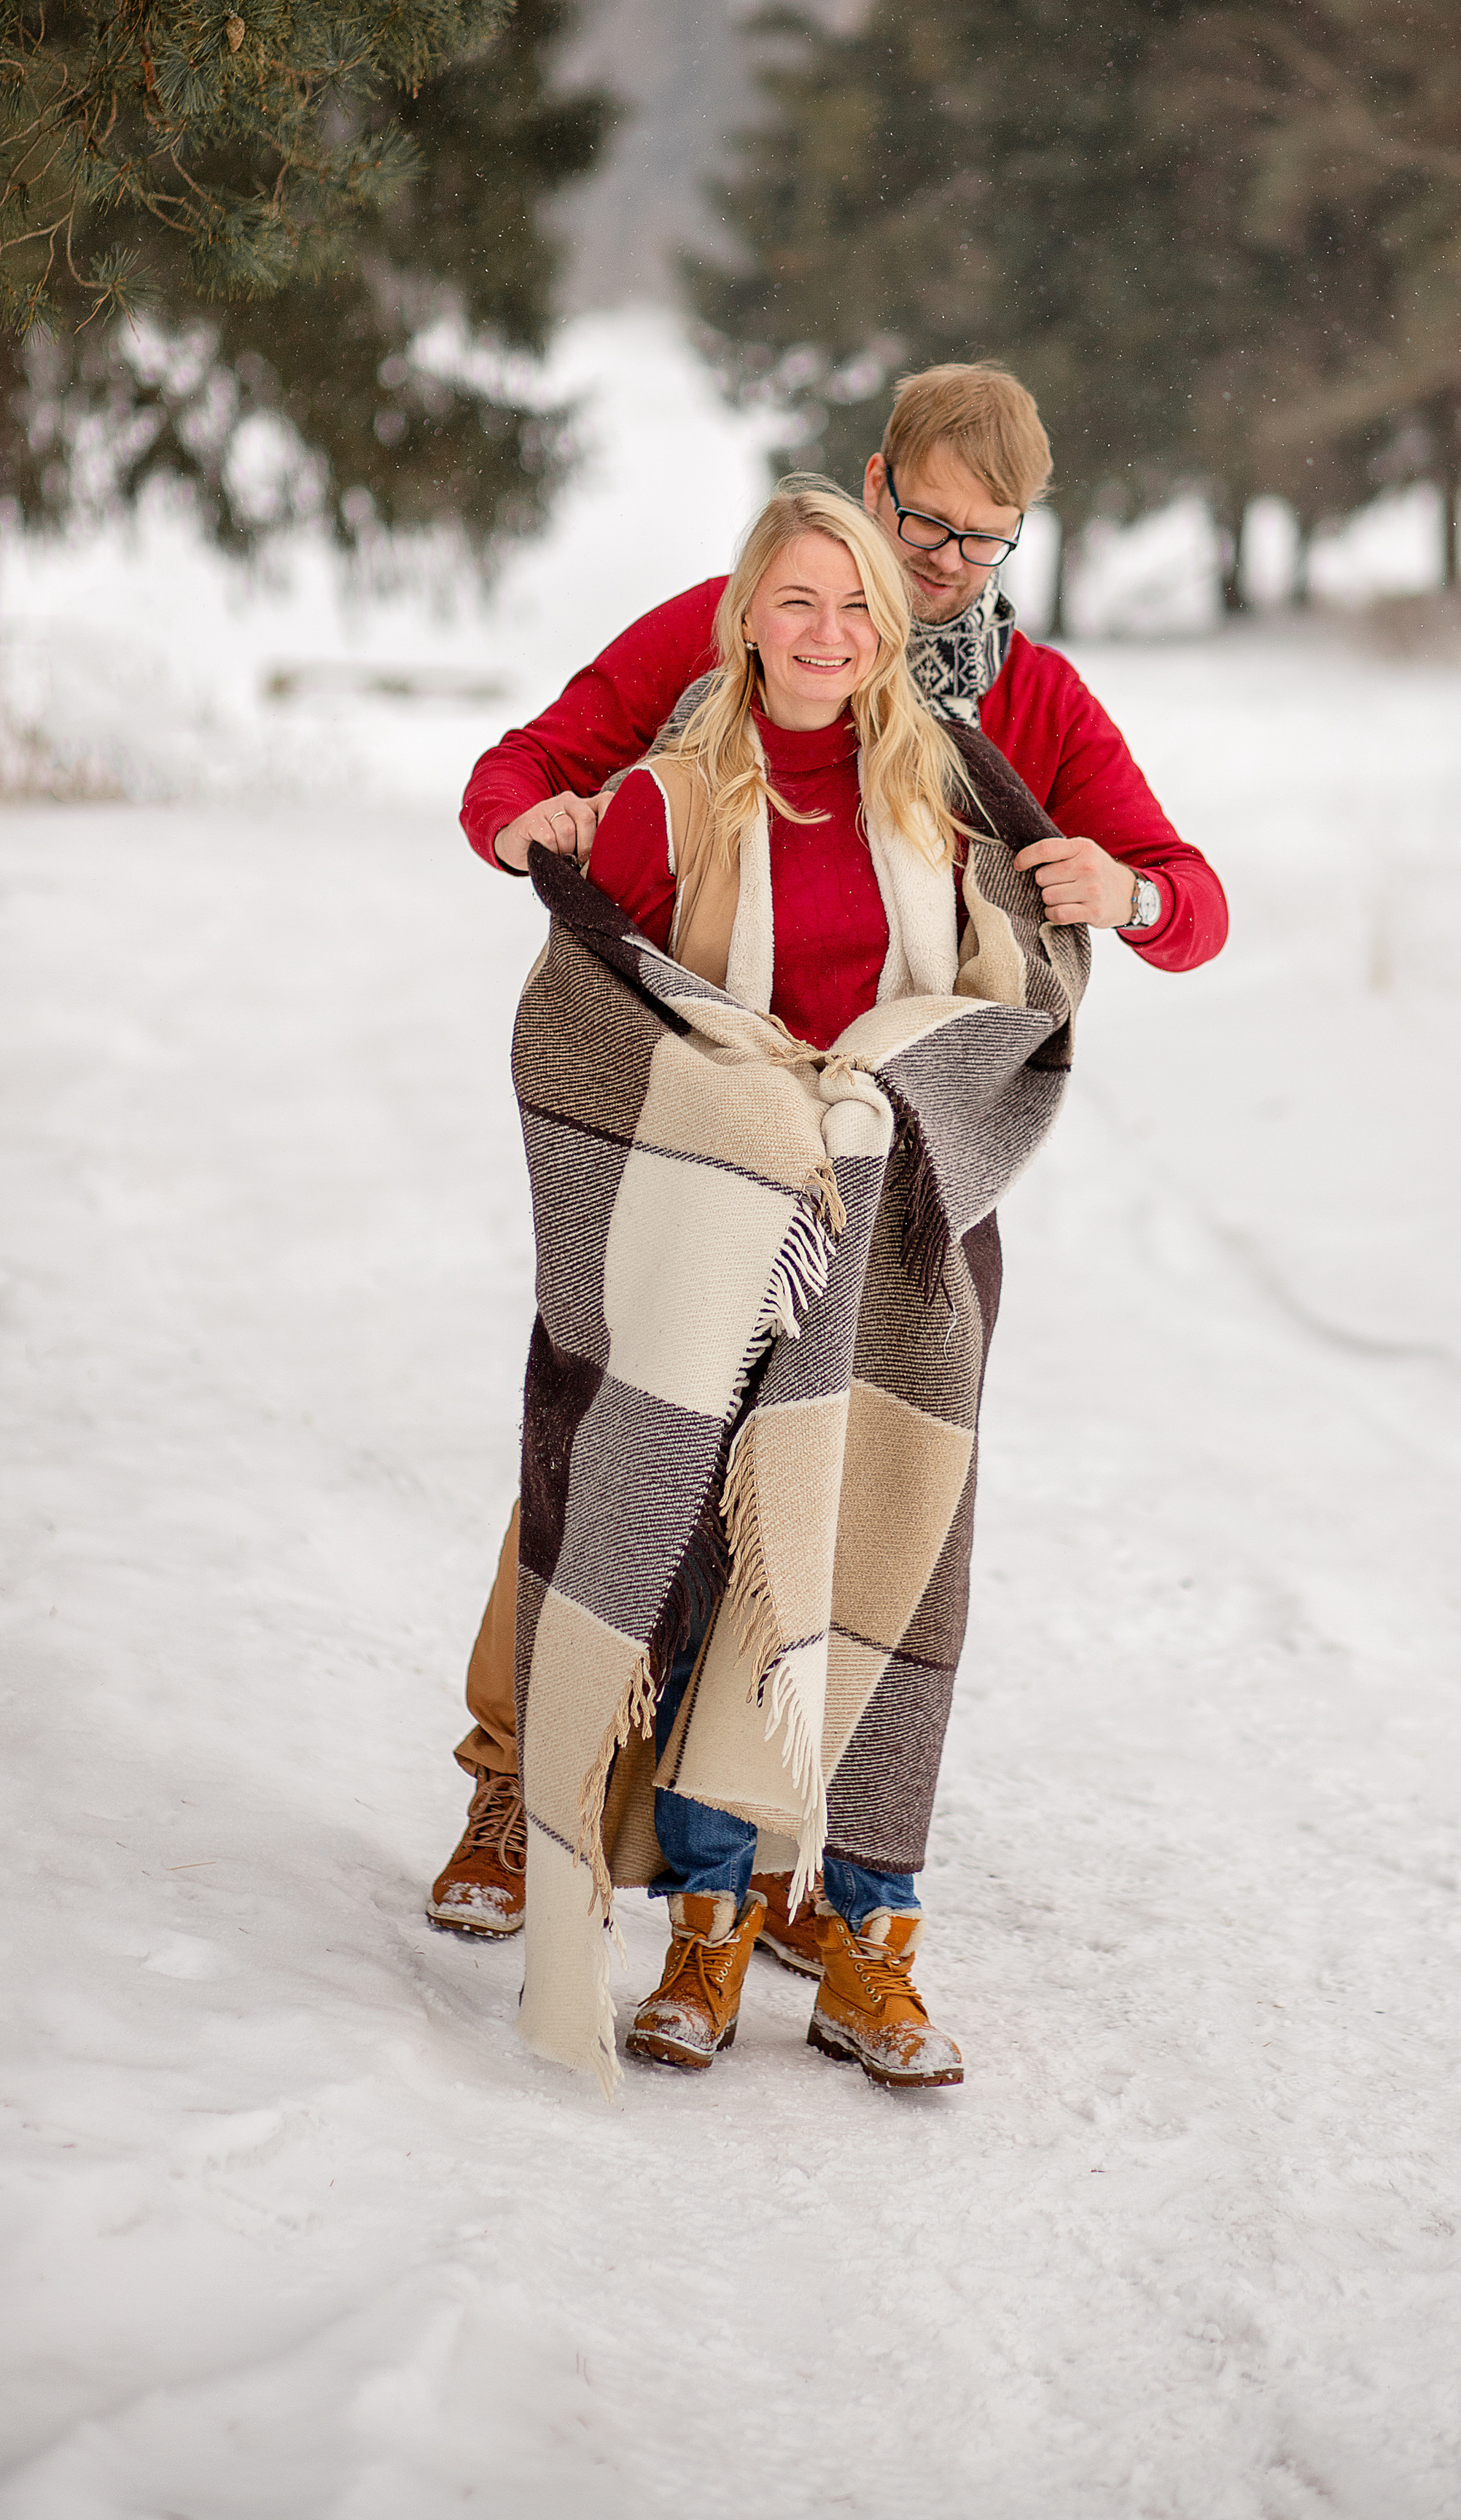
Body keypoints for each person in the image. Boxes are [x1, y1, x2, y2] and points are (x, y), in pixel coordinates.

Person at [429, 361, 1228, 1966]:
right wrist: (534, 827)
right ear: (875, 485)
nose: (941, 566)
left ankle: (788, 1843)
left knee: (862, 1504)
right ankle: (521, 1782)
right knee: (609, 1447)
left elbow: (1187, 897)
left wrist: (1126, 891)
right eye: (923, 523)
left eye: (983, 541)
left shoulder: (1032, 704)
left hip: (898, 1177)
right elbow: (521, 767)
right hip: (703, 1139)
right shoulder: (742, 618)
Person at [507, 477, 1093, 2088]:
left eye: (856, 609)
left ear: (890, 630)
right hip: (735, 1239)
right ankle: (706, 1928)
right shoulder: (667, 804)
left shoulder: (949, 801)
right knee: (721, 1563)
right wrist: (760, 1110)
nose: (828, 635)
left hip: (907, 1239)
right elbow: (599, 1012)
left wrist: (889, 1094)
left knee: (897, 1572)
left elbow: (1013, 994)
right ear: (745, 622)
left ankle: (871, 1942)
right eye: (795, 604)